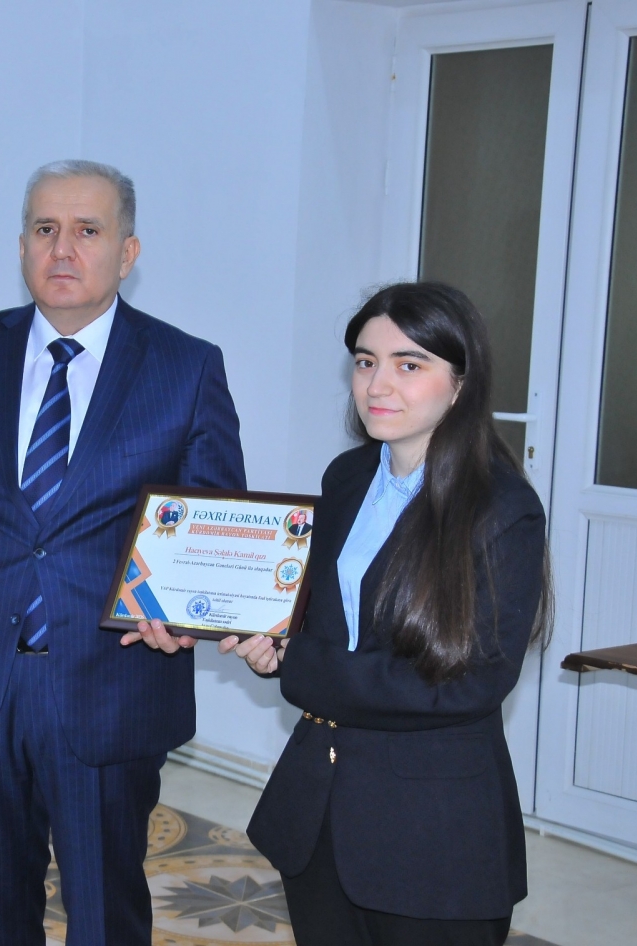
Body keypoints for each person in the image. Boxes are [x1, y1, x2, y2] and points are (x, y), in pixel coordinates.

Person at [0, 159, 246, 946]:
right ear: (22, 246)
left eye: (87, 230)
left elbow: (213, 525)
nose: (62, 249)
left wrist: (188, 614)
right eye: (45, 229)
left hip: (113, 685)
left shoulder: (185, 367)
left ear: (127, 252)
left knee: (104, 911)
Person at [218, 282, 552, 946]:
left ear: (461, 384)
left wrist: (299, 665)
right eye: (366, 362)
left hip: (431, 835)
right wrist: (273, 645)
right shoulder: (346, 478)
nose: (377, 384)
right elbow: (327, 626)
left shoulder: (502, 509)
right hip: (319, 812)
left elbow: (466, 684)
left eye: (410, 364)